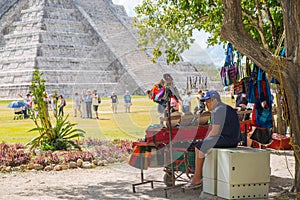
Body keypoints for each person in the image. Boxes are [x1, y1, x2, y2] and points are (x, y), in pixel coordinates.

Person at [183, 90, 241, 188]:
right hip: (233, 139)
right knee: (202, 144)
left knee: (198, 147)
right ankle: (200, 175)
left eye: (208, 102)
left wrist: (204, 140)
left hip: (227, 140)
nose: (206, 105)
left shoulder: (217, 110)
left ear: (214, 100)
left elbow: (214, 131)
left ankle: (197, 179)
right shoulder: (226, 108)